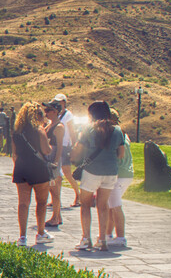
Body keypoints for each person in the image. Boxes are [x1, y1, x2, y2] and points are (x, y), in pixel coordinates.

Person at [71, 101, 125, 252]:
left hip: (92, 171)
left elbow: (78, 150)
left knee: (85, 204)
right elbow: (121, 154)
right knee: (103, 206)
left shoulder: (88, 129)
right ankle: (102, 239)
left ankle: (86, 238)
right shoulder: (117, 130)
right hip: (110, 172)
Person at [11, 103, 54, 246]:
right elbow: (46, 150)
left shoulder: (17, 132)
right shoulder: (40, 131)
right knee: (41, 202)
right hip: (38, 168)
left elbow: (14, 154)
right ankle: (40, 232)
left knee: (23, 203)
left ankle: (22, 236)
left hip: (21, 168)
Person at [105, 108, 133, 248]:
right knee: (111, 205)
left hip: (119, 173)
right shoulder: (123, 132)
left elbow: (118, 155)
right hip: (127, 173)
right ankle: (108, 234)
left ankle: (121, 237)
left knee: (115, 206)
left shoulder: (114, 134)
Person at [54, 93, 81, 207]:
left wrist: (74, 146)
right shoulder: (57, 115)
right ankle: (56, 199)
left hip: (65, 146)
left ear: (64, 102)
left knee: (67, 173)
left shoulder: (68, 115)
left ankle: (78, 195)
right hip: (57, 145)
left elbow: (72, 131)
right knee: (56, 174)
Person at [43, 102, 66, 228]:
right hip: (48, 157)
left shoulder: (59, 127)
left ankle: (55, 217)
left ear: (55, 112)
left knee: (55, 190)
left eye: (48, 110)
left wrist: (56, 162)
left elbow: (60, 147)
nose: (46, 113)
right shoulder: (49, 125)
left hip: (53, 159)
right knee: (53, 190)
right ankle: (58, 216)